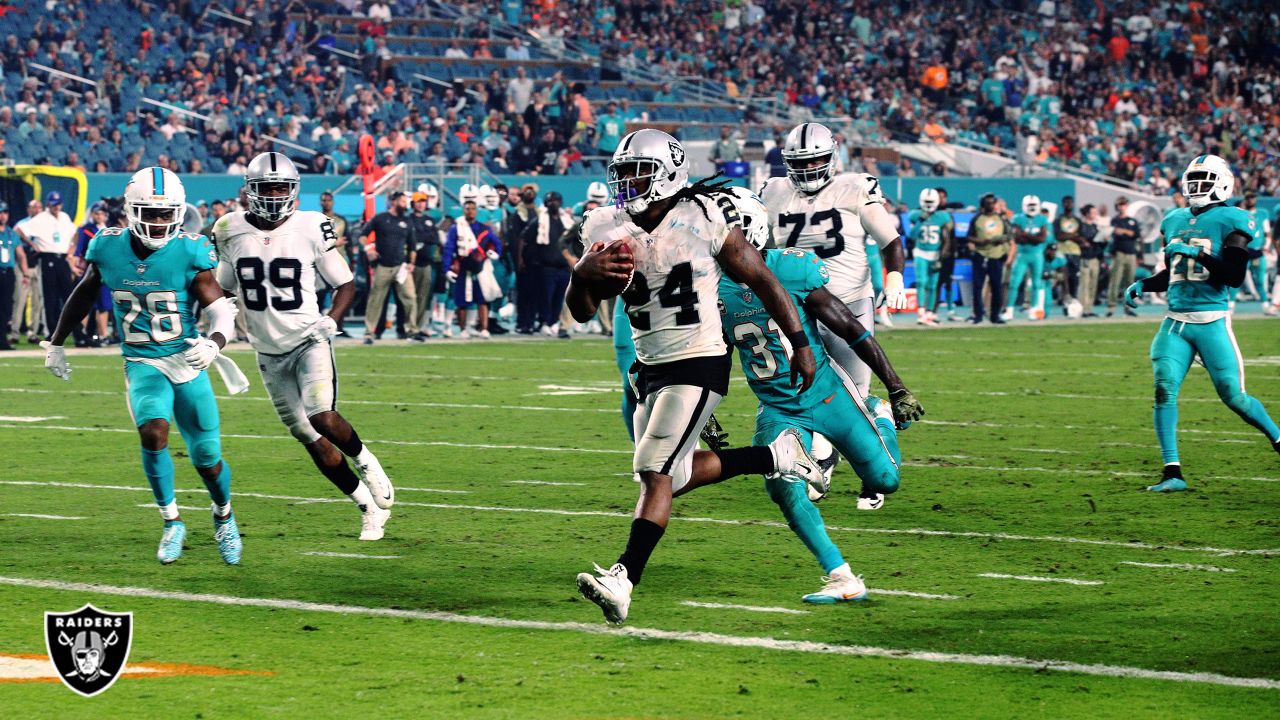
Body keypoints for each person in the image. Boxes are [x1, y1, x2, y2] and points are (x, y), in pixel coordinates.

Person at [567, 129, 819, 625]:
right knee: (675, 475)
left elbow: (763, 279)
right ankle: (776, 455)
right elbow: (579, 312)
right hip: (649, 364)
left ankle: (623, 579)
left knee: (654, 469)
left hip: (700, 360)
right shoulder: (605, 223)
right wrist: (582, 275)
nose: (627, 183)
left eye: (638, 172)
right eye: (622, 174)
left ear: (666, 173)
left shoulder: (704, 216)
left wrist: (802, 342)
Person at [710, 185, 924, 601]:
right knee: (782, 488)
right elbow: (714, 355)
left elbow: (850, 327)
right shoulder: (709, 290)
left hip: (828, 394)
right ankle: (842, 578)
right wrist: (705, 412)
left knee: (885, 479)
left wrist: (895, 387)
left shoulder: (790, 270)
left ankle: (876, 414)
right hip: (777, 407)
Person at [40, 167, 242, 565]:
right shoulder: (107, 246)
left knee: (208, 461)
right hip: (142, 361)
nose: (159, 221)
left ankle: (224, 515)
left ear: (179, 213)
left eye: (167, 213)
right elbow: (84, 292)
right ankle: (172, 522)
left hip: (186, 360)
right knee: (153, 432)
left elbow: (222, 312)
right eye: (150, 212)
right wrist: (56, 342)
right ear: (131, 210)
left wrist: (214, 344)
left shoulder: (189, 250)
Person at [213, 152, 395, 540]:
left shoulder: (312, 224)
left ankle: (366, 460)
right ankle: (367, 508)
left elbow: (345, 283)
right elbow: (224, 289)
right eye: (268, 187)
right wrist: (214, 331)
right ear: (251, 190)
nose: (276, 195)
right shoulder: (228, 228)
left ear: (294, 190)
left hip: (308, 340)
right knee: (308, 437)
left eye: (283, 187)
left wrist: (333, 318)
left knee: (322, 417)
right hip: (266, 350)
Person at [761, 122, 909, 508]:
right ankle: (819, 459)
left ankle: (872, 464)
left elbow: (890, 240)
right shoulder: (773, 192)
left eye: (817, 161)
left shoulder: (854, 187)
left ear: (833, 156)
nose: (809, 170)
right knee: (795, 389)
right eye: (801, 163)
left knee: (855, 398)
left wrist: (894, 279)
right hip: (795, 311)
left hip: (847, 303)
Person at [1123, 155, 1280, 492]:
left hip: (1211, 321)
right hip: (1175, 322)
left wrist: (1200, 255)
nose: (1197, 186)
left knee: (1233, 397)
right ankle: (1172, 473)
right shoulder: (1173, 219)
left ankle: (1278, 437)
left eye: (1205, 179)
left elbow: (1235, 276)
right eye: (1193, 179)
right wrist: (1145, 284)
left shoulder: (1234, 219)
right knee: (1163, 390)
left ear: (1223, 183)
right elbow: (1174, 274)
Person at [358, 191, 423, 343]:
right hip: (383, 266)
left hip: (401, 266)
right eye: (402, 200)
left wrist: (412, 263)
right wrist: (369, 249)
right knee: (376, 300)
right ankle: (369, 332)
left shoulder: (407, 221)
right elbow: (362, 235)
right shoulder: (381, 218)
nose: (405, 204)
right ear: (393, 201)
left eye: (405, 201)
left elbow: (412, 246)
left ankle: (412, 331)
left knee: (410, 298)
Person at [17, 191, 79, 342]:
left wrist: (71, 251)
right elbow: (19, 230)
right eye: (53, 204)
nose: (55, 206)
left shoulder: (64, 217)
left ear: (61, 204)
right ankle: (52, 333)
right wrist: (32, 244)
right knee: (49, 298)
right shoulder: (41, 218)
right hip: (48, 257)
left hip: (63, 258)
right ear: (48, 204)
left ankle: (78, 333)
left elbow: (75, 233)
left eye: (57, 203)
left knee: (70, 297)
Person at [442, 197, 503, 338]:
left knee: (482, 299)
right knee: (461, 300)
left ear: (477, 211)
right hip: (463, 266)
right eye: (467, 209)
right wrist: (447, 268)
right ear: (463, 210)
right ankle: (462, 329)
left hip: (481, 267)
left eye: (473, 209)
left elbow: (496, 243)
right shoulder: (456, 228)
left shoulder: (484, 228)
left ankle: (484, 328)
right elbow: (449, 248)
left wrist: (496, 253)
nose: (470, 211)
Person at [520, 190, 574, 338]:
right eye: (550, 201)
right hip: (546, 265)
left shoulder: (567, 221)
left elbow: (572, 241)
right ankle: (544, 322)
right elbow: (524, 239)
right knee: (545, 297)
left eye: (555, 200)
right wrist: (522, 259)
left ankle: (553, 322)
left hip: (563, 266)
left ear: (560, 202)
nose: (553, 203)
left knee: (559, 297)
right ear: (545, 204)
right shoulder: (539, 220)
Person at [68, 201, 112, 346]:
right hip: (90, 270)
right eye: (97, 213)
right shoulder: (86, 229)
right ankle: (82, 334)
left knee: (104, 305)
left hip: (105, 271)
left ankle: (103, 335)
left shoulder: (110, 231)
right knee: (86, 305)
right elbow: (77, 251)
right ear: (92, 214)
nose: (99, 216)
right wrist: (74, 268)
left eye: (102, 213)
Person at [966, 193, 1013, 324]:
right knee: (977, 286)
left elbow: (1009, 234)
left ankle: (995, 315)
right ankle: (978, 314)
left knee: (997, 286)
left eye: (993, 203)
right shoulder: (977, 219)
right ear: (982, 205)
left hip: (996, 255)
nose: (991, 206)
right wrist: (980, 241)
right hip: (981, 255)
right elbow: (969, 236)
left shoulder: (1001, 219)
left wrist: (1002, 240)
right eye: (988, 203)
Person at [908, 189, 952, 327]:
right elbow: (912, 236)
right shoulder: (915, 215)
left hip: (935, 254)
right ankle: (921, 313)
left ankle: (929, 313)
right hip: (920, 252)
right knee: (922, 282)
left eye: (931, 202)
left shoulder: (943, 216)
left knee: (933, 285)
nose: (928, 205)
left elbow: (946, 238)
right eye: (926, 202)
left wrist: (942, 255)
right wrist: (921, 220)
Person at [1005, 195, 1053, 320]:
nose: (1032, 208)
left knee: (1036, 283)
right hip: (1022, 255)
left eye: (1034, 205)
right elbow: (1017, 238)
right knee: (1014, 283)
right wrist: (1033, 237)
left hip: (1036, 255)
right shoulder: (1017, 218)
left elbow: (1041, 239)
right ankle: (1009, 310)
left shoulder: (1042, 219)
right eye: (1029, 205)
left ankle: (1034, 309)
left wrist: (1025, 235)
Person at [408, 190, 440, 336]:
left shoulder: (430, 220)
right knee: (409, 296)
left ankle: (418, 326)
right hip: (409, 264)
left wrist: (420, 238)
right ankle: (407, 325)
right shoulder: (408, 219)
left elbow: (434, 238)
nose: (421, 204)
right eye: (418, 201)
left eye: (423, 201)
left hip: (425, 263)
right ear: (413, 203)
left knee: (423, 296)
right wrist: (422, 238)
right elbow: (411, 237)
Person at [1106, 196, 1140, 317]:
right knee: (1115, 280)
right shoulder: (1115, 220)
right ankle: (1111, 306)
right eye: (1120, 204)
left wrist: (1124, 232)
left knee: (1130, 281)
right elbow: (1115, 232)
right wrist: (1127, 232)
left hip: (1131, 253)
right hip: (1119, 253)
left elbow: (1136, 234)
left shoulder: (1132, 221)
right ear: (1117, 206)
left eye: (1124, 204)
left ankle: (1128, 306)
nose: (1122, 206)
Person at [0, 201, 26, 350]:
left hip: (8, 273)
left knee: (5, 307)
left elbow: (20, 255)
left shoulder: (12, 233)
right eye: (0, 212)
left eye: (5, 212)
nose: (2, 216)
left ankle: (2, 340)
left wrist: (25, 274)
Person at [1241, 191, 1271, 308]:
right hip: (1244, 249)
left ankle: (1265, 305)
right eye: (1248, 198)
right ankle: (1231, 305)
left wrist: (1267, 246)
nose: (1250, 200)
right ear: (1245, 199)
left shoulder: (1263, 213)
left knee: (1260, 280)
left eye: (1252, 197)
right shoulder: (1242, 214)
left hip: (1258, 251)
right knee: (1239, 277)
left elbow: (1267, 232)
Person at [1053, 196, 1083, 307]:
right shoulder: (1058, 220)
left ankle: (1073, 299)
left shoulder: (1077, 220)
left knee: (1074, 278)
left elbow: (1081, 237)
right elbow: (1059, 236)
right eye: (1066, 203)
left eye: (1070, 202)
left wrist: (1069, 236)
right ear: (1063, 204)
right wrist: (1073, 235)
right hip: (1062, 252)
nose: (1068, 204)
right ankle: (1063, 299)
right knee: (1063, 277)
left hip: (1075, 252)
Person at [1077, 204, 1104, 317]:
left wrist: (1104, 239)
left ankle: (1089, 308)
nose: (1095, 214)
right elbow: (1081, 240)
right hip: (1085, 258)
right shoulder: (1081, 227)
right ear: (1087, 214)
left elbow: (1099, 243)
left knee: (1093, 285)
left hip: (1095, 258)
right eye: (1093, 212)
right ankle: (1083, 309)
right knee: (1085, 284)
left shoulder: (1095, 226)